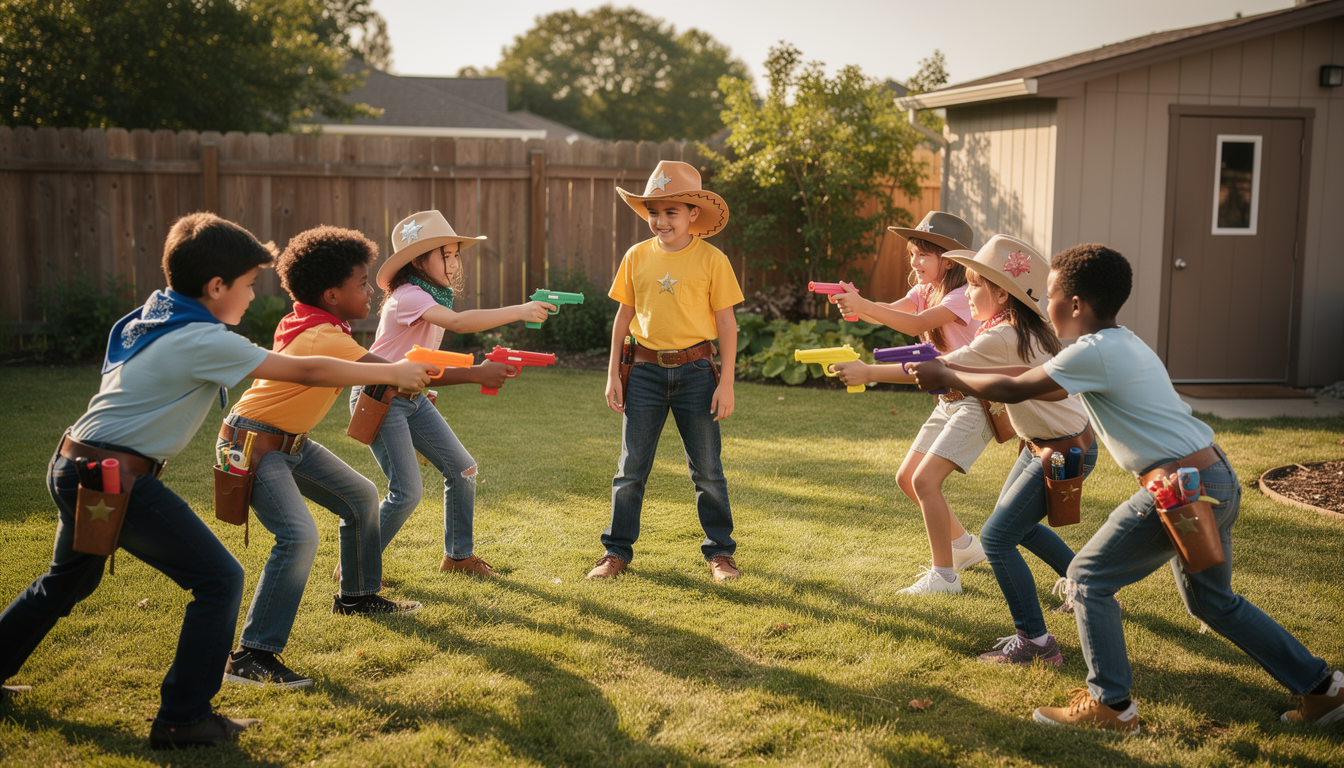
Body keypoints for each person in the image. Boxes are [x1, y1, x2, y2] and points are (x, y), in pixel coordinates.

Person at [0, 213, 433, 749]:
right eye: (250, 285)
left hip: (78, 465)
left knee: (66, 582)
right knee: (219, 579)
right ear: (216, 287)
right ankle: (183, 718)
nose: (253, 297)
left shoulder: (151, 316)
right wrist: (391, 371)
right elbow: (306, 370)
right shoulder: (201, 339)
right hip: (114, 477)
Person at [910, 243, 1343, 732]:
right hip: (1213, 476)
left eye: (1050, 295)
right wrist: (959, 372)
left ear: (1074, 305)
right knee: (1213, 603)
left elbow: (1015, 388)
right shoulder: (1118, 343)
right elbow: (1029, 378)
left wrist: (949, 372)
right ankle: (1325, 689)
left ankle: (1111, 706)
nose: (1044, 305)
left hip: (1177, 486)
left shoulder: (1095, 352)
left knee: (1089, 579)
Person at [845, 235, 1097, 661]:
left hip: (1063, 449)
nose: (968, 291)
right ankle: (1086, 587)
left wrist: (867, 370)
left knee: (999, 537)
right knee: (1017, 526)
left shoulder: (1001, 336)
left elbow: (940, 368)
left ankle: (1036, 642)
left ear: (1002, 294)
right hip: (1046, 444)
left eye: (977, 285)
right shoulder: (1014, 328)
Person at [218, 226, 428, 691]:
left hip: (289, 441)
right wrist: (478, 372)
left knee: (361, 497)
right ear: (332, 294)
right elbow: (389, 374)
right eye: (362, 283)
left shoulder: (320, 324)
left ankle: (356, 596)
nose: (370, 289)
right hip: (254, 445)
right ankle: (252, 656)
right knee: (297, 536)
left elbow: (391, 373)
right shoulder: (323, 338)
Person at [352, 210, 550, 579]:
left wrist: (439, 386)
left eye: (457, 254)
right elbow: (459, 323)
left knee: (463, 470)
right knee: (406, 492)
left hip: (410, 396)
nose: (455, 262)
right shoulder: (409, 296)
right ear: (418, 261)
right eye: (446, 254)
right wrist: (519, 312)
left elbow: (422, 361)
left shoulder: (429, 295)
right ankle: (356, 563)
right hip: (381, 396)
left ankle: (458, 558)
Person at [587, 160, 744, 583]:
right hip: (644, 374)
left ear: (694, 214)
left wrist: (725, 382)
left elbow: (726, 324)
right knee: (630, 469)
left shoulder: (713, 260)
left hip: (697, 374)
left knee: (708, 470)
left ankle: (720, 554)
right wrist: (612, 374)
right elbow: (623, 318)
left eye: (670, 212)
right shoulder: (636, 256)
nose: (660, 221)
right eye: (654, 213)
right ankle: (615, 553)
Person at [830, 212, 988, 595]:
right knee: (907, 479)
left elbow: (916, 326)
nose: (914, 263)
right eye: (913, 254)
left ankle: (944, 578)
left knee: (925, 481)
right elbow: (897, 310)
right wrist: (859, 306)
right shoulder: (926, 290)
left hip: (974, 401)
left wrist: (863, 304)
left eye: (923, 255)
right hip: (947, 399)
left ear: (948, 261)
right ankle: (965, 548)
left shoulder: (958, 297)